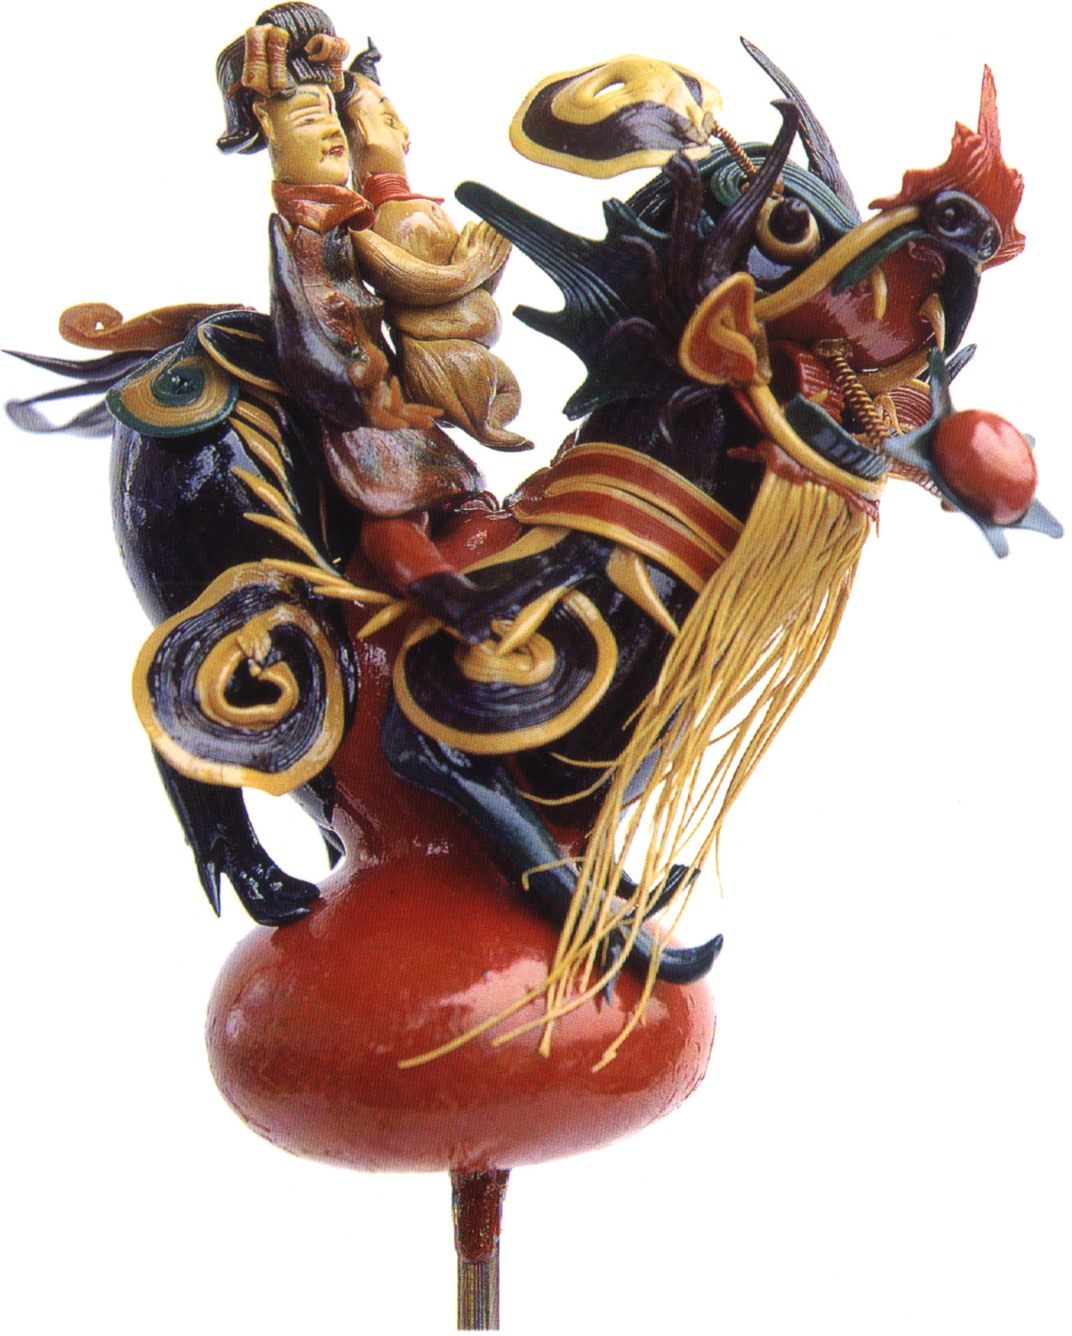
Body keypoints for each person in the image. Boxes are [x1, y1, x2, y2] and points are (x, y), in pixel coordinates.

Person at [215, 4, 516, 636]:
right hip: (358, 409)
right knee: (392, 503)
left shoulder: (341, 220)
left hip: (387, 392)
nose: (331, 134)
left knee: (440, 482)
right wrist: (360, 384)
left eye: (332, 118)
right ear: (269, 129)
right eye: (308, 119)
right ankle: (443, 595)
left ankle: (464, 546)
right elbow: (305, 333)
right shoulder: (301, 232)